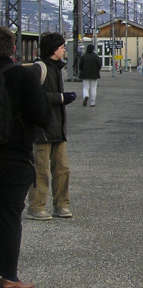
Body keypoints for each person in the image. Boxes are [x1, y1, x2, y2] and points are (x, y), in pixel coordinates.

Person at [0, 26, 49, 288]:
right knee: (8, 217)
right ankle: (8, 278)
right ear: (14, 49)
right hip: (14, 158)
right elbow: (42, 116)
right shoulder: (23, 76)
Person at [27, 33, 77, 221]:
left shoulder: (57, 69)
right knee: (40, 171)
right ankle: (36, 206)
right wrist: (61, 98)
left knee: (63, 169)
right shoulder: (39, 69)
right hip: (42, 130)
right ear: (54, 49)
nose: (64, 50)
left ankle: (62, 205)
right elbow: (34, 96)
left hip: (58, 129)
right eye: (62, 47)